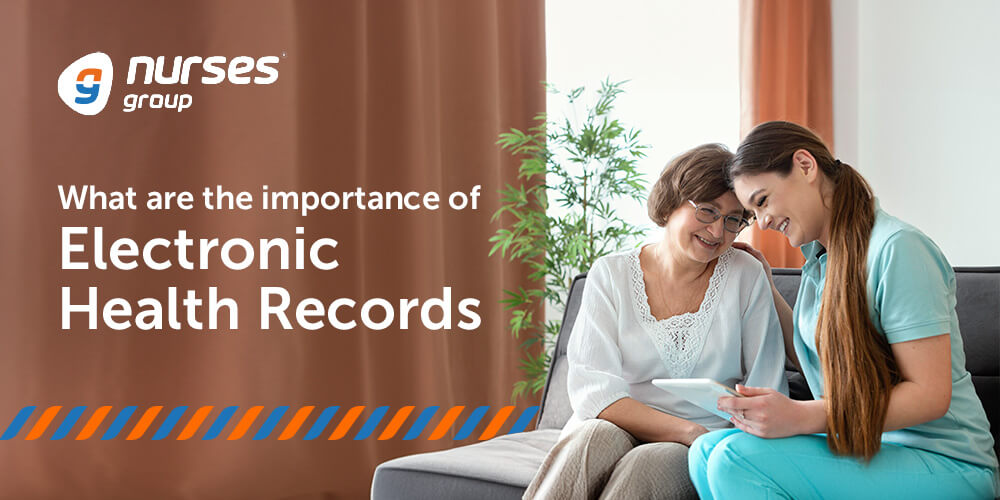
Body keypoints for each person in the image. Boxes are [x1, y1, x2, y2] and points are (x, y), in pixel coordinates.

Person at [689, 121, 999, 499]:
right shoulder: (822, 262)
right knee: (705, 452)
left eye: (763, 200)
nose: (764, 222)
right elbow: (816, 354)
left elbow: (930, 395)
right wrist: (766, 288)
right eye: (755, 212)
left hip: (945, 462)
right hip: (868, 448)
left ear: (805, 165)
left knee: (734, 458)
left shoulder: (898, 249)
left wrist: (804, 416)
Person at [523, 144, 788, 500]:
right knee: (590, 437)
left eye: (733, 219)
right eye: (707, 211)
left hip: (704, 439)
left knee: (648, 462)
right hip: (619, 423)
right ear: (672, 202)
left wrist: (699, 437)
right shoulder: (610, 274)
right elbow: (593, 391)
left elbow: (766, 384)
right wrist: (686, 430)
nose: (717, 231)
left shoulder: (746, 276)